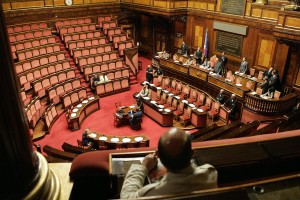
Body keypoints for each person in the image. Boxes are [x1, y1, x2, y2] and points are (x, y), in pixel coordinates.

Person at [120, 127, 218, 198]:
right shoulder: (211, 173)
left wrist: (142, 167)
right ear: (191, 153)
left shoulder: (155, 194)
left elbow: (126, 197)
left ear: (159, 158)